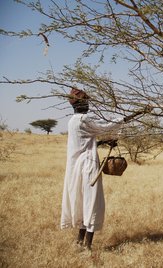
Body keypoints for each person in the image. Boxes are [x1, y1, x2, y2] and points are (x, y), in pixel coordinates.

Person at [61, 88, 150, 250]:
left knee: (83, 203)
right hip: (88, 166)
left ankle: (79, 241)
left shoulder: (73, 121)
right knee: (93, 204)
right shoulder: (84, 119)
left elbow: (87, 142)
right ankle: (87, 246)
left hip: (76, 168)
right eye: (85, 102)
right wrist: (138, 113)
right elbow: (107, 126)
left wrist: (104, 142)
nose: (88, 105)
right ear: (79, 104)